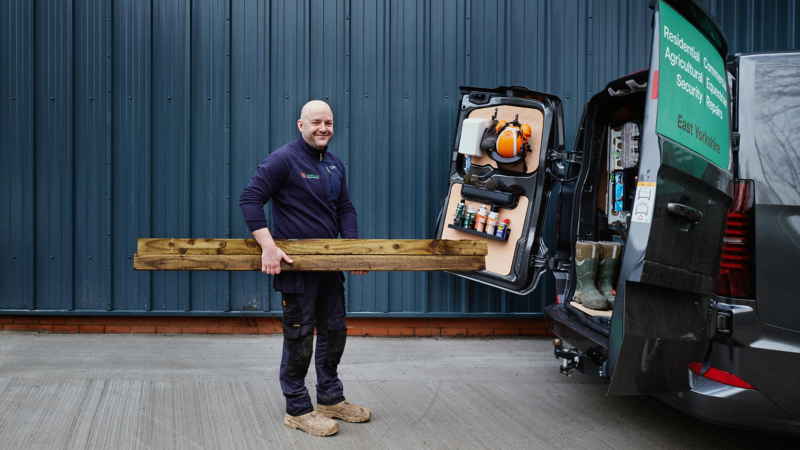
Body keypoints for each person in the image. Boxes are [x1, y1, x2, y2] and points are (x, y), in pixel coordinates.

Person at [239, 100, 370, 437]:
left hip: (328, 268)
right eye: (315, 122)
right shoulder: (284, 159)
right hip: (296, 269)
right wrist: (268, 246)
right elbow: (250, 199)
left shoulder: (335, 164)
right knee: (299, 336)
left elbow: (346, 209)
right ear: (301, 125)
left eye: (328, 122)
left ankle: (329, 398)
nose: (322, 128)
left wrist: (350, 252)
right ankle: (297, 409)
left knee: (335, 330)